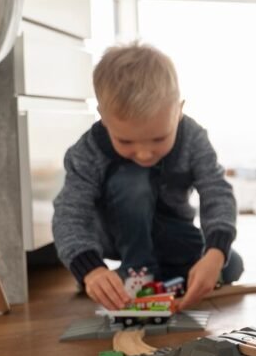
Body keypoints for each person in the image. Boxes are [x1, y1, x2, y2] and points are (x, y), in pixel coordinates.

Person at [52, 42, 243, 312]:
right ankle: (136, 270)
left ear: (179, 111)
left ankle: (159, 274)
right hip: (118, 235)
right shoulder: (87, 151)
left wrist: (215, 253)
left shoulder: (193, 137)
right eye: (126, 141)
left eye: (158, 138)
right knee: (133, 178)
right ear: (104, 117)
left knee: (231, 265)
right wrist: (91, 269)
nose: (143, 153)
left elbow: (217, 192)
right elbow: (70, 214)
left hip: (171, 232)